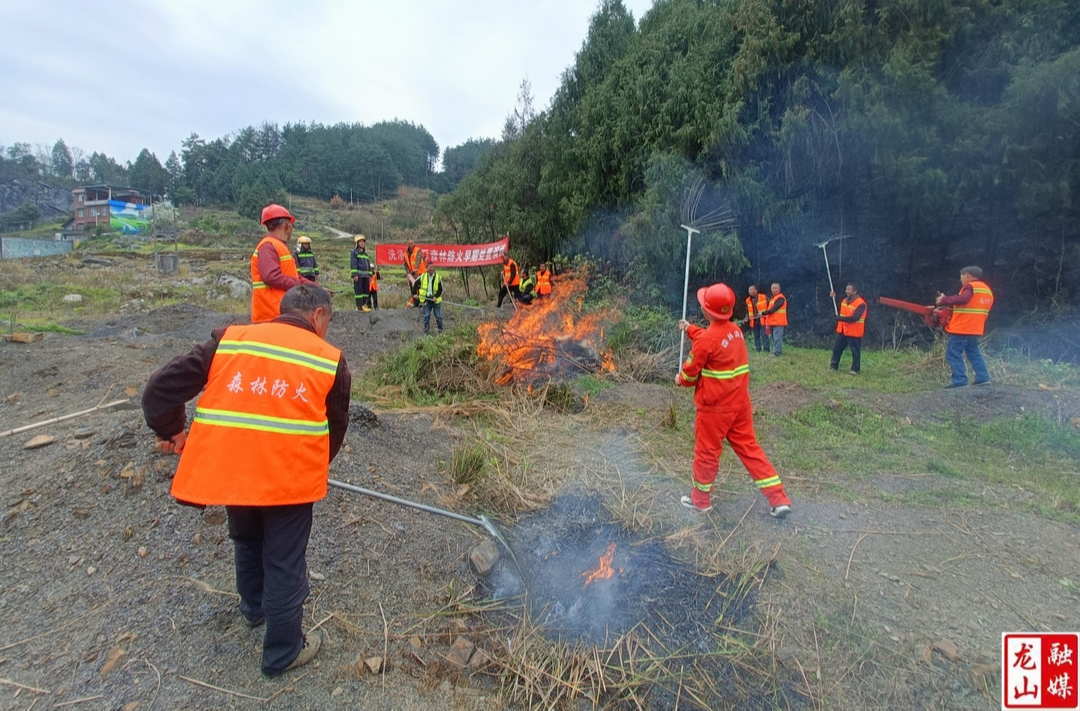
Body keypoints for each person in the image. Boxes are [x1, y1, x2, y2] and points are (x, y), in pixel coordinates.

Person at [141, 284, 351, 677]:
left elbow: (158, 390)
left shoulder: (230, 340)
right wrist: (316, 466)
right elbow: (334, 427)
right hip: (289, 480)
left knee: (248, 540)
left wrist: (172, 430)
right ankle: (283, 652)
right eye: (328, 323)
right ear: (318, 317)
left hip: (234, 468)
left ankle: (253, 609)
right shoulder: (329, 360)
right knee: (285, 560)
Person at [676, 283, 792, 518]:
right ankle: (779, 499)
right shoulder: (735, 331)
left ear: (708, 312)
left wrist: (680, 378)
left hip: (715, 409)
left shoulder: (708, 340)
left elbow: (689, 375)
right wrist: (690, 329)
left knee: (707, 453)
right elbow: (712, 339)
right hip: (739, 404)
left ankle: (700, 500)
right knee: (751, 450)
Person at [936, 266, 994, 388]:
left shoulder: (970, 287)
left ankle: (960, 380)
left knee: (953, 352)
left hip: (962, 327)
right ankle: (983, 378)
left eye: (961, 276)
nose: (961, 279)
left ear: (967, 275)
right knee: (973, 352)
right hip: (976, 328)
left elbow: (963, 299)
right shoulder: (987, 290)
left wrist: (944, 300)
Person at [250, 204, 307, 323]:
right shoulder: (268, 246)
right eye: (291, 224)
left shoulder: (278, 246)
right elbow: (271, 277)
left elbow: (294, 277)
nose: (291, 228)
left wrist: (316, 288)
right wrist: (297, 284)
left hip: (279, 313)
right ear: (286, 225)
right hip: (271, 315)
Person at [830, 283, 867, 374]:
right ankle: (833, 366)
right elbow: (838, 303)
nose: (847, 292)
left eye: (849, 290)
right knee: (837, 349)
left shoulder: (861, 304)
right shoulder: (844, 300)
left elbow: (855, 318)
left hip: (854, 332)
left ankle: (855, 369)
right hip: (843, 330)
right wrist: (833, 296)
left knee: (855, 351)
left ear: (855, 291)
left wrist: (840, 318)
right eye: (846, 289)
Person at [760, 282, 787, 356]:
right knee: (774, 338)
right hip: (773, 322)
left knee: (777, 338)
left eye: (776, 288)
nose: (774, 290)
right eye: (772, 288)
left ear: (779, 289)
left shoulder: (781, 298)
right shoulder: (773, 298)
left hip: (779, 322)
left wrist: (764, 313)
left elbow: (774, 308)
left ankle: (777, 352)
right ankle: (776, 351)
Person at [418, 261, 444, 334]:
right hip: (426, 300)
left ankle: (441, 332)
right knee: (426, 317)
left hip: (435, 301)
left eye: (433, 267)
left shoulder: (438, 277)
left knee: (438, 316)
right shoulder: (422, 277)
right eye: (430, 267)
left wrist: (435, 296)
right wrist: (415, 294)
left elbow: (440, 289)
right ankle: (426, 333)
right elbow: (415, 285)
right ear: (427, 268)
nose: (432, 269)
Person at [350, 234, 373, 312]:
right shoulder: (354, 253)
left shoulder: (365, 255)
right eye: (360, 242)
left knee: (366, 291)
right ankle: (360, 306)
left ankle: (364, 304)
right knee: (359, 291)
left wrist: (370, 275)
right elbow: (353, 264)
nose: (362, 243)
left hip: (366, 276)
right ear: (357, 243)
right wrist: (354, 275)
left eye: (363, 242)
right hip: (359, 276)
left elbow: (368, 266)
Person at [403, 239, 426, 308]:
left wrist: (415, 269)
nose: (410, 245)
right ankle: (416, 303)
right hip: (411, 274)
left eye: (411, 243)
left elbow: (418, 259)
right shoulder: (406, 253)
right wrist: (408, 273)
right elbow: (405, 264)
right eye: (409, 243)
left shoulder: (418, 250)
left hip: (419, 272)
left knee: (419, 288)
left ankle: (421, 302)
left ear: (414, 243)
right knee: (412, 288)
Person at [744, 285, 767, 352]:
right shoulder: (748, 300)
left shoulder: (763, 297)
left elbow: (770, 306)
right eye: (749, 290)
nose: (750, 291)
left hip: (763, 319)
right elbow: (747, 311)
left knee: (764, 335)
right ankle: (758, 349)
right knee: (756, 336)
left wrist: (765, 313)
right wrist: (746, 317)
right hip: (753, 321)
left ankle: (766, 349)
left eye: (752, 289)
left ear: (756, 290)